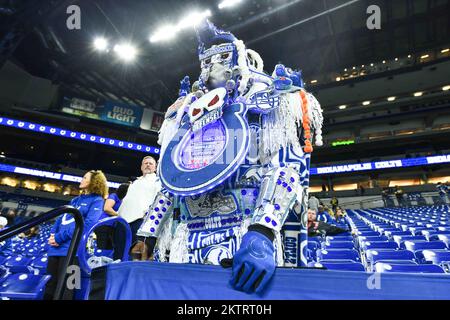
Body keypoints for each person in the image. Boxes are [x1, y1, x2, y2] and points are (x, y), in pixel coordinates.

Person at [132, 19, 324, 293]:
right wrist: (148, 232)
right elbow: (172, 180)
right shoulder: (187, 113)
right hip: (186, 236)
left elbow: (286, 170)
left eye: (222, 57)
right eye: (206, 61)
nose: (212, 66)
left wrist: (263, 231)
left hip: (244, 230)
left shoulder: (267, 99)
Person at [44, 170, 108, 300]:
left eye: (85, 178)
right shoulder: (75, 200)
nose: (81, 179)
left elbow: (87, 224)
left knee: (70, 286)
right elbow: (61, 219)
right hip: (55, 249)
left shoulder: (97, 200)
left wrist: (59, 237)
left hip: (74, 251)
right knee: (50, 285)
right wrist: (53, 235)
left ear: (94, 182)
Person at [115, 156, 161, 261]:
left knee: (135, 256)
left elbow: (158, 200)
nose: (148, 165)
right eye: (145, 163)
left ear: (155, 168)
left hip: (140, 222)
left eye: (150, 163)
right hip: (123, 222)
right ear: (141, 167)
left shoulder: (157, 181)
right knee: (119, 254)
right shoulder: (135, 182)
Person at [95, 183, 130, 250]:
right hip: (104, 225)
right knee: (102, 247)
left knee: (110, 248)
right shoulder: (114, 196)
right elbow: (107, 208)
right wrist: (120, 215)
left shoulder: (124, 200)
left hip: (112, 227)